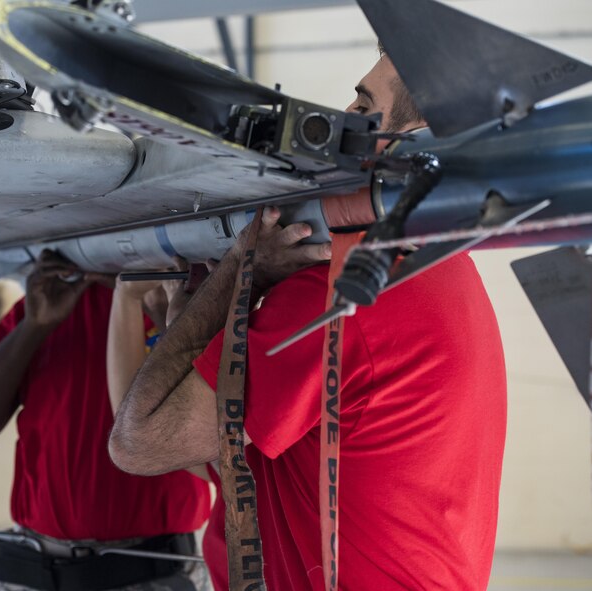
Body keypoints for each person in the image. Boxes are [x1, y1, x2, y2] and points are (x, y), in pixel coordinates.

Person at [108, 49, 507, 590]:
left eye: (365, 104)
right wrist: (199, 319)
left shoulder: (350, 288)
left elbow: (140, 442)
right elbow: (223, 458)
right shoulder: (436, 267)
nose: (345, 112)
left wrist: (238, 272)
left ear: (419, 136)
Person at [0, 250, 211, 590]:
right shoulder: (52, 305)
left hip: (152, 571)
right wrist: (33, 327)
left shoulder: (177, 304)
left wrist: (156, 310)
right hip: (36, 567)